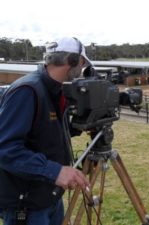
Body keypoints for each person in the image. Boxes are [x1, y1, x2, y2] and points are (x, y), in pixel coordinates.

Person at [0, 37, 91, 225]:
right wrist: (55, 171)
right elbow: (6, 149)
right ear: (72, 61)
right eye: (82, 63)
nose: (82, 70)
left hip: (50, 196)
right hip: (27, 206)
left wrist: (81, 126)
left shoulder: (55, 91)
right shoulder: (27, 90)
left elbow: (46, 131)